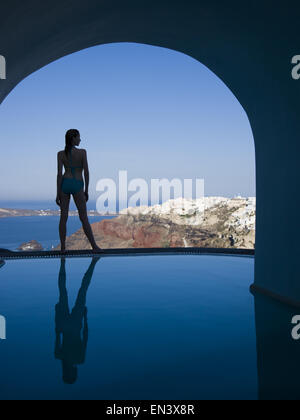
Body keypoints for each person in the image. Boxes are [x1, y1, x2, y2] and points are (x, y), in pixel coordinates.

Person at [55, 256, 101, 384]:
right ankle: (62, 263)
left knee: (82, 290)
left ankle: (92, 264)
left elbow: (85, 336)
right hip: (65, 325)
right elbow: (57, 332)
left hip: (75, 326)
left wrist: (85, 317)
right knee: (63, 291)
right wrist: (56, 313)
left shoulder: (80, 359)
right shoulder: (59, 356)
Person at [56, 129, 103, 253]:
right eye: (78, 137)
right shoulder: (82, 152)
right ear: (73, 138)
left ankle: (62, 248)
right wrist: (86, 190)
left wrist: (57, 193)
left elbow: (59, 175)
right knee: (83, 218)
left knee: (63, 217)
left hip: (65, 184)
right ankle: (94, 246)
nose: (80, 140)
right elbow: (86, 172)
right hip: (77, 185)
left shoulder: (60, 154)